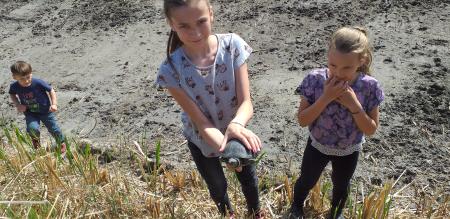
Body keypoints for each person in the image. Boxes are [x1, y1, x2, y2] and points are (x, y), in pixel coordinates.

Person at [156, 0, 264, 218]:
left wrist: (235, 126)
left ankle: (255, 212)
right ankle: (227, 213)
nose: (195, 32)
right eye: (184, 26)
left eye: (201, 21)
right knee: (216, 185)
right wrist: (226, 153)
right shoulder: (171, 70)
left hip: (236, 132)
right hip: (201, 138)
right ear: (171, 24)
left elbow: (246, 103)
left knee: (248, 179)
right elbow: (201, 122)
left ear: (211, 14)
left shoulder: (232, 46)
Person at [289, 27, 384, 219]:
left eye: (347, 68)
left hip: (349, 149)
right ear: (327, 57)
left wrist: (354, 105)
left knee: (341, 184)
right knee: (307, 179)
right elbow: (302, 120)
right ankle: (296, 207)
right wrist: (326, 97)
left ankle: (336, 213)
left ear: (361, 61)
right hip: (318, 145)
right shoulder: (315, 80)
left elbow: (371, 129)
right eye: (333, 65)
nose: (338, 73)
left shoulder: (369, 87)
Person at [8, 61, 66, 154]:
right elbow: (12, 94)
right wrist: (18, 104)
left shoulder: (38, 82)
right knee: (32, 128)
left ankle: (61, 143)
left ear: (31, 73)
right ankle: (37, 144)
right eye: (22, 79)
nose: (26, 81)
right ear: (14, 77)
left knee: (53, 128)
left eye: (28, 77)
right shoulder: (14, 86)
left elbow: (51, 90)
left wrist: (54, 104)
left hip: (46, 111)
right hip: (30, 112)